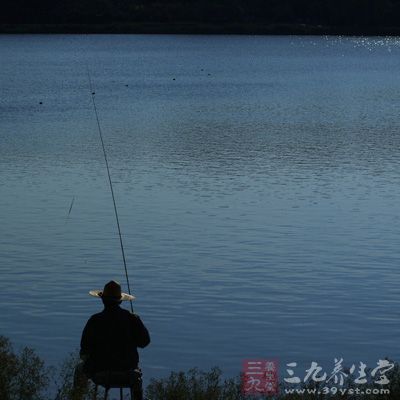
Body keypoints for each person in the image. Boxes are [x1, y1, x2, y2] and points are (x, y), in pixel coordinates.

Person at [73, 280, 150, 399]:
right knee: (137, 377)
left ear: (103, 300)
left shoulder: (94, 321)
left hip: (99, 374)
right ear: (120, 301)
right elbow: (145, 342)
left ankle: (77, 397)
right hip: (127, 374)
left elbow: (84, 351)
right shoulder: (132, 319)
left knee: (79, 369)